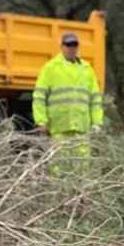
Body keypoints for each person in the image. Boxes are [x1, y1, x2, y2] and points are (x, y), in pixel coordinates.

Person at [32, 33, 104, 174]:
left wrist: (97, 122)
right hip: (60, 125)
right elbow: (39, 95)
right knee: (59, 165)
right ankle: (60, 194)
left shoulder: (86, 69)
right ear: (61, 47)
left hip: (82, 127)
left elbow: (95, 98)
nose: (71, 48)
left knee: (82, 167)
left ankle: (79, 194)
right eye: (68, 45)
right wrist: (41, 120)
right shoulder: (51, 67)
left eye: (74, 45)